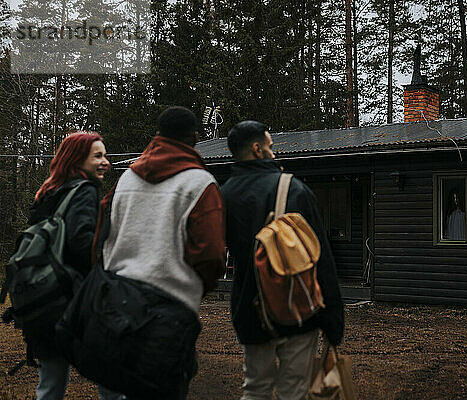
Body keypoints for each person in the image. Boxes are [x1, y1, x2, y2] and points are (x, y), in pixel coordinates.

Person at [98, 106, 225, 400]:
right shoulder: (201, 184)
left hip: (118, 302)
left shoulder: (126, 180)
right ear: (195, 138)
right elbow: (212, 255)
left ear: (157, 135)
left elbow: (99, 236)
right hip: (169, 311)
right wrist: (191, 291)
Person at [221, 120, 345, 400]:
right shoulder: (294, 189)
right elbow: (321, 259)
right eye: (270, 146)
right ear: (256, 148)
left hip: (251, 309)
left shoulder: (224, 195)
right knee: (294, 391)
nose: (274, 153)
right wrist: (333, 319)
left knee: (254, 389)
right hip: (297, 307)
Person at [27, 131, 110, 400]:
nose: (105, 162)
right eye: (97, 156)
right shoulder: (84, 191)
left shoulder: (48, 193)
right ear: (77, 160)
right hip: (76, 304)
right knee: (112, 381)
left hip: (42, 300)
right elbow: (81, 243)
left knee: (49, 387)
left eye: (105, 155)